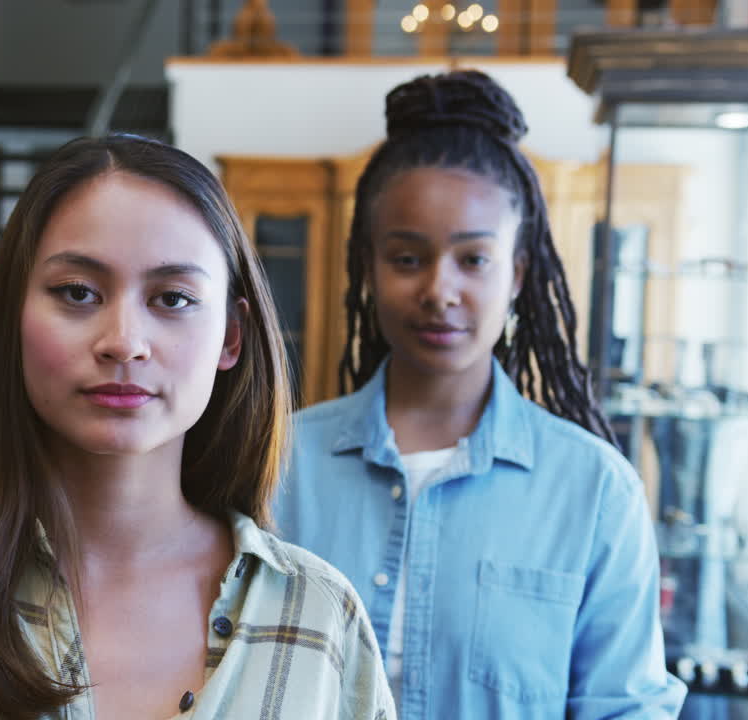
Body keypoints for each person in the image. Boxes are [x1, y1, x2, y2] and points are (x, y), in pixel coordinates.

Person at [0, 135, 395, 720]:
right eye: (77, 292)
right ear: (14, 314)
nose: (123, 342)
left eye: (172, 298)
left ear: (231, 335)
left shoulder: (318, 619)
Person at [274, 70, 687, 719]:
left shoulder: (594, 489)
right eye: (407, 258)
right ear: (369, 267)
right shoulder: (281, 464)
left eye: (474, 259)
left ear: (518, 272)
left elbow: (623, 709)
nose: (440, 290)